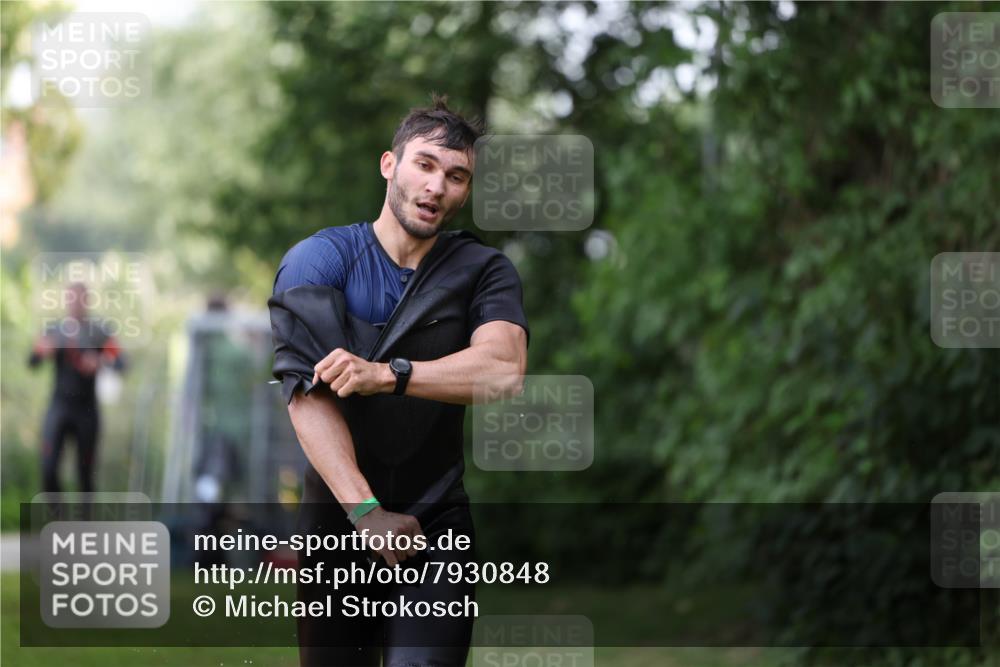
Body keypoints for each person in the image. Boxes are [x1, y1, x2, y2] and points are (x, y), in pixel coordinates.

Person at [269, 94, 529, 666]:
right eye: (425, 165)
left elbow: (503, 370)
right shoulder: (318, 261)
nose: (438, 186)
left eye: (456, 176)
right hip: (337, 520)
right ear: (390, 165)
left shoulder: (483, 270)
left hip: (438, 522)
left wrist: (389, 375)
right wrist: (366, 513)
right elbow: (305, 398)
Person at [28, 282, 125, 494]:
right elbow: (32, 361)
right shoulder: (54, 330)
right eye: (71, 299)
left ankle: (84, 524)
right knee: (48, 466)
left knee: (85, 472)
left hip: (87, 410)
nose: (75, 304)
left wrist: (100, 360)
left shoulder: (99, 331)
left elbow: (121, 362)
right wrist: (42, 352)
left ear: (87, 301)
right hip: (59, 407)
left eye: (79, 299)